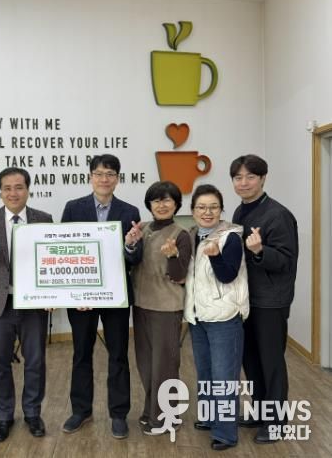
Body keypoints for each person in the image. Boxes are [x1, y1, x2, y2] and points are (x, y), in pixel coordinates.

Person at [0, 167, 53, 442]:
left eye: (18, 187)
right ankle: (4, 416)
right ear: (0, 191)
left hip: (34, 304)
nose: (13, 193)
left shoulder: (44, 219)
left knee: (35, 362)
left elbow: (51, 259)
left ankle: (32, 413)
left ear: (28, 189)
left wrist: (53, 294)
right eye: (7, 188)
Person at [60, 154, 139, 439]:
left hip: (115, 295)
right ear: (90, 176)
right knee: (81, 352)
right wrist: (73, 293)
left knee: (118, 354)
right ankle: (81, 410)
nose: (104, 179)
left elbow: (135, 258)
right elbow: (64, 251)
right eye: (99, 173)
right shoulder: (73, 208)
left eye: (110, 174)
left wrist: (130, 246)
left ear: (118, 178)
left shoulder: (130, 211)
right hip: (82, 297)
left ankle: (118, 414)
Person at [230, 155, 299, 444]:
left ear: (263, 178)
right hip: (246, 299)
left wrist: (260, 251)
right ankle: (260, 412)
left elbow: (285, 260)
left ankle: (276, 422)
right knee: (252, 360)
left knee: (271, 363)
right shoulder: (240, 211)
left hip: (271, 301)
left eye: (250, 177)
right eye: (238, 178)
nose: (243, 183)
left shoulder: (278, 214)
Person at [184, 184, 249, 451]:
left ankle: (225, 433)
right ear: (193, 211)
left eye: (213, 207)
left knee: (224, 378)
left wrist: (215, 257)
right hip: (198, 316)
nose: (207, 212)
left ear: (221, 210)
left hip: (224, 318)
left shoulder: (230, 237)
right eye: (201, 207)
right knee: (206, 372)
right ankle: (210, 418)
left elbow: (228, 275)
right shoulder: (193, 235)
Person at [124, 181, 191, 435]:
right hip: (141, 305)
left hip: (166, 307)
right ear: (149, 205)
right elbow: (132, 261)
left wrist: (173, 256)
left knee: (165, 365)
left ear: (176, 204)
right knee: (146, 364)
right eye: (156, 201)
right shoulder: (142, 228)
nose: (161, 205)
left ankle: (167, 418)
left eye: (167, 200)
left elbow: (179, 275)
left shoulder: (181, 234)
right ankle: (152, 410)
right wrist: (131, 244)